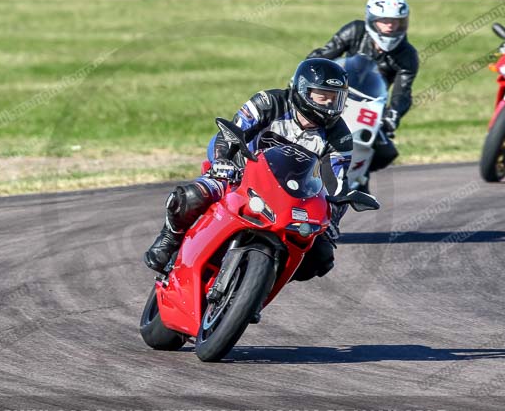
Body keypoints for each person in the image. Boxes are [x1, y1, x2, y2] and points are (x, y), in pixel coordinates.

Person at [144, 58, 354, 286]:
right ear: (303, 90)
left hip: (288, 198)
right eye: (322, 96)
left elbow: (337, 182)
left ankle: (259, 288)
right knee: (192, 196)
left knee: (320, 256)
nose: (329, 104)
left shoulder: (339, 136)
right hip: (239, 174)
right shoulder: (269, 101)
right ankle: (169, 239)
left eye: (335, 98)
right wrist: (223, 162)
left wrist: (332, 218)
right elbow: (231, 132)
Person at [307, 0, 419, 190]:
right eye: (384, 20)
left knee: (386, 152)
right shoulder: (355, 30)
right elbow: (326, 53)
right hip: (336, 93)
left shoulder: (408, 55)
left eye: (396, 21)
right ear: (373, 19)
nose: (390, 26)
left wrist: (393, 115)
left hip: (372, 105)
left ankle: (359, 177)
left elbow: (403, 93)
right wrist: (308, 71)